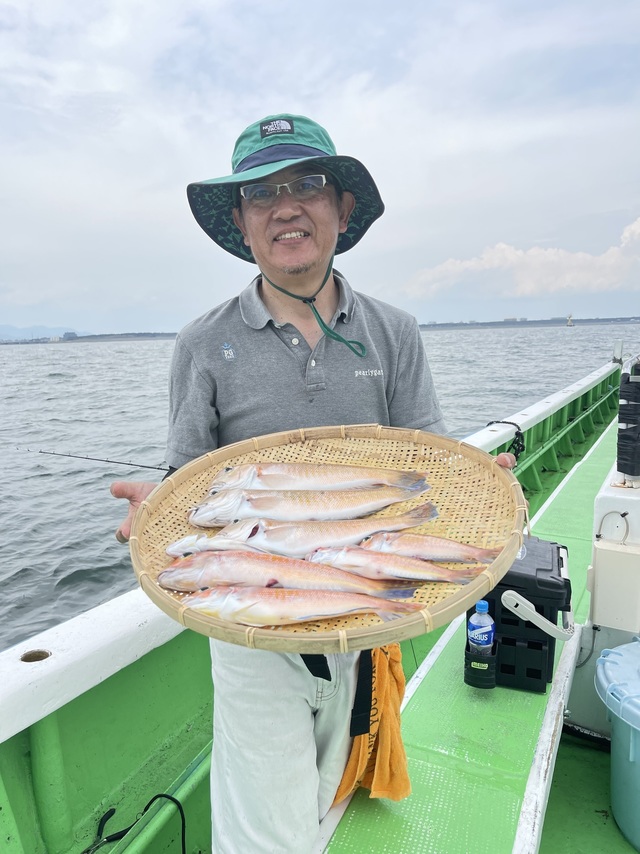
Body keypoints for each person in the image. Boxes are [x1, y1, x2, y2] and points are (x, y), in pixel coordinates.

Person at [112, 113, 515, 853]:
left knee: (333, 792)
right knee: (266, 831)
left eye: (306, 185)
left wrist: (474, 484)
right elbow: (187, 479)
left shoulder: (395, 331)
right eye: (262, 193)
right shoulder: (203, 342)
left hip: (366, 622)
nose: (285, 206)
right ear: (241, 221)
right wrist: (158, 503)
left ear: (342, 208)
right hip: (251, 630)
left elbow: (428, 463)